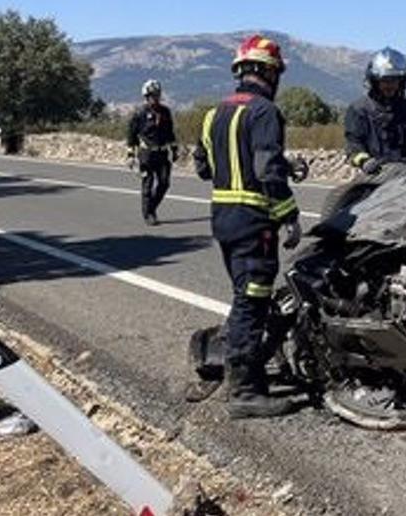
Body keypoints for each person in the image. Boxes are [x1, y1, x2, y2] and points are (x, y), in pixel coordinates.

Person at [192, 35, 303, 419]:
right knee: (252, 301)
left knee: (244, 296)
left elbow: (204, 167)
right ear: (269, 73)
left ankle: (238, 370)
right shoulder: (265, 112)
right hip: (255, 220)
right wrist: (289, 215)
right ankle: (245, 391)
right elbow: (266, 171)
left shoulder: (213, 114)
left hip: (223, 218)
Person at [343, 47, 406, 174]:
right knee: (349, 194)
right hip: (373, 175)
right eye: (385, 80)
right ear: (375, 81)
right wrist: (364, 161)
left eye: (394, 80)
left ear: (402, 81)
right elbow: (353, 145)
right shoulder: (359, 110)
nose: (390, 85)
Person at [126, 79, 177, 226]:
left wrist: (174, 149)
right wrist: (131, 155)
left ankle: (151, 207)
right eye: (153, 95)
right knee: (147, 185)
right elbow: (131, 136)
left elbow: (170, 133)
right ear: (146, 96)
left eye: (158, 95)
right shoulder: (139, 114)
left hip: (162, 154)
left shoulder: (165, 112)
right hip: (146, 155)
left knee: (164, 183)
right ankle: (148, 214)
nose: (156, 98)